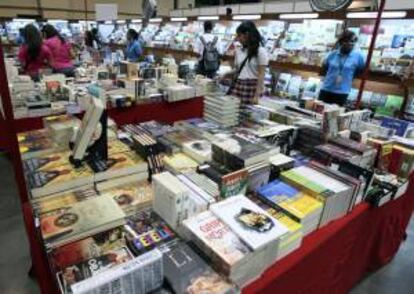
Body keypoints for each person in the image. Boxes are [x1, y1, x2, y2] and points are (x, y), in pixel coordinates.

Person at [222, 21, 269, 105]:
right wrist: (225, 74)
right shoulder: (239, 51)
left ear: (247, 35)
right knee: (234, 113)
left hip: (252, 88)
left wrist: (257, 96)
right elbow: (237, 69)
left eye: (239, 35)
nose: (237, 38)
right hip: (239, 85)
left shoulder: (260, 51)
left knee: (248, 116)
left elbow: (261, 74)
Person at [319, 30, 366, 106]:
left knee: (335, 115)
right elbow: (324, 67)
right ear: (341, 42)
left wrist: (351, 77)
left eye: (353, 42)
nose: (350, 44)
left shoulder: (358, 56)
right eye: (348, 41)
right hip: (326, 89)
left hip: (342, 92)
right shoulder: (332, 54)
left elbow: (361, 69)